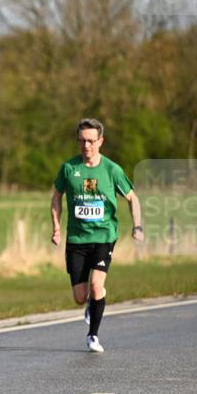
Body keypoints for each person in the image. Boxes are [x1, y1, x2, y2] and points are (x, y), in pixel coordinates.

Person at [51, 117, 143, 354]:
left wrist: (138, 226)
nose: (86, 146)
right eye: (82, 141)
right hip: (76, 240)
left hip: (104, 236)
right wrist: (57, 227)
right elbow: (56, 197)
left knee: (95, 284)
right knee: (80, 297)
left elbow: (132, 198)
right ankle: (93, 302)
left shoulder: (112, 170)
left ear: (100, 141)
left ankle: (93, 335)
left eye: (91, 141)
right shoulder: (69, 169)